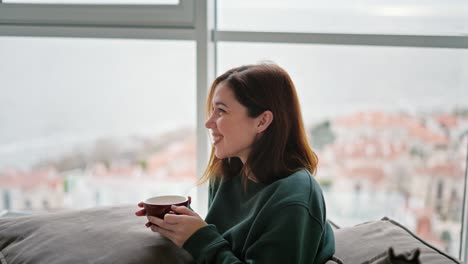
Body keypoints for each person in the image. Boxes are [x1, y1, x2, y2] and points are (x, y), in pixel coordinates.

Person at [136, 63, 335, 263]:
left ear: (262, 121)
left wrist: (199, 238)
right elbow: (222, 248)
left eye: (221, 111)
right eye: (212, 110)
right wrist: (182, 223)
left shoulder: (295, 197)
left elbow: (211, 247)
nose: (209, 122)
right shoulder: (226, 173)